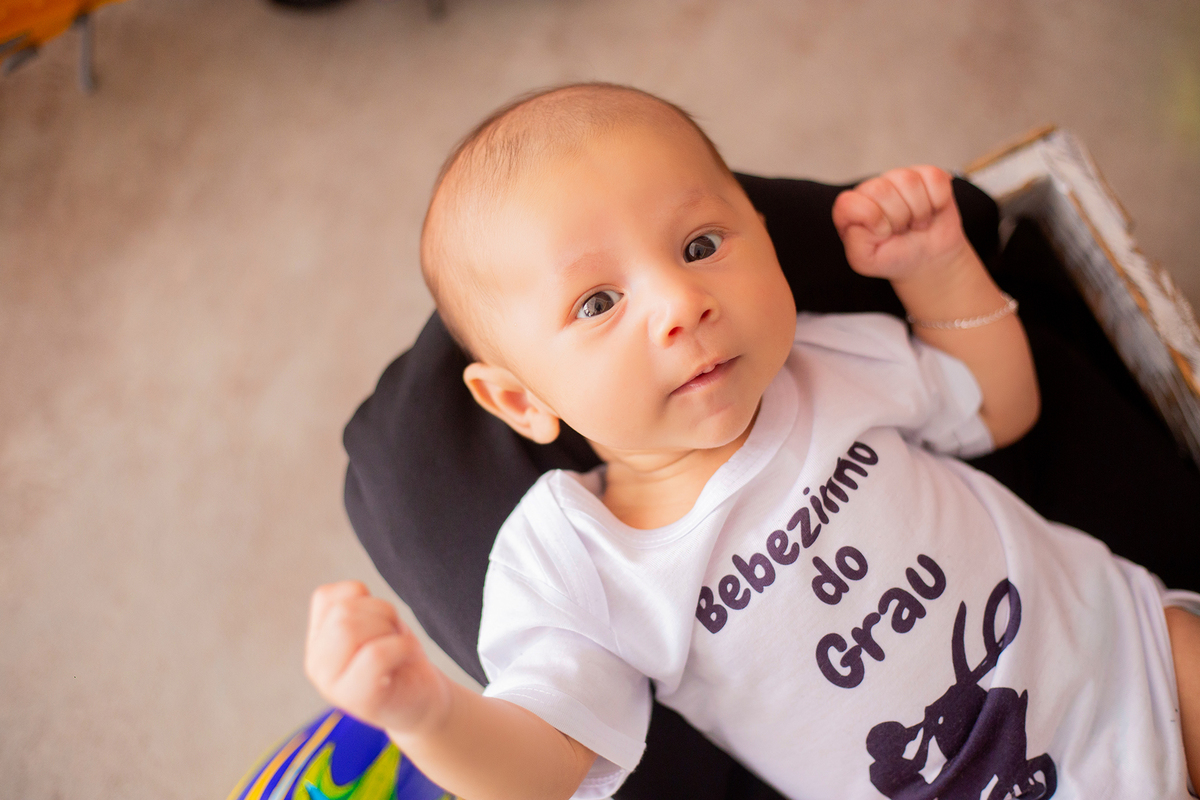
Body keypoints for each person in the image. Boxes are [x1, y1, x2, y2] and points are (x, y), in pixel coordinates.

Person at [303, 83, 1200, 800]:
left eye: (700, 244)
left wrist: (941, 271)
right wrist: (425, 715)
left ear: (768, 245)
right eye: (599, 303)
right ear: (520, 400)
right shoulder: (576, 558)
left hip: (1132, 662)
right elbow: (547, 770)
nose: (679, 303)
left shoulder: (824, 361)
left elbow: (1001, 409)